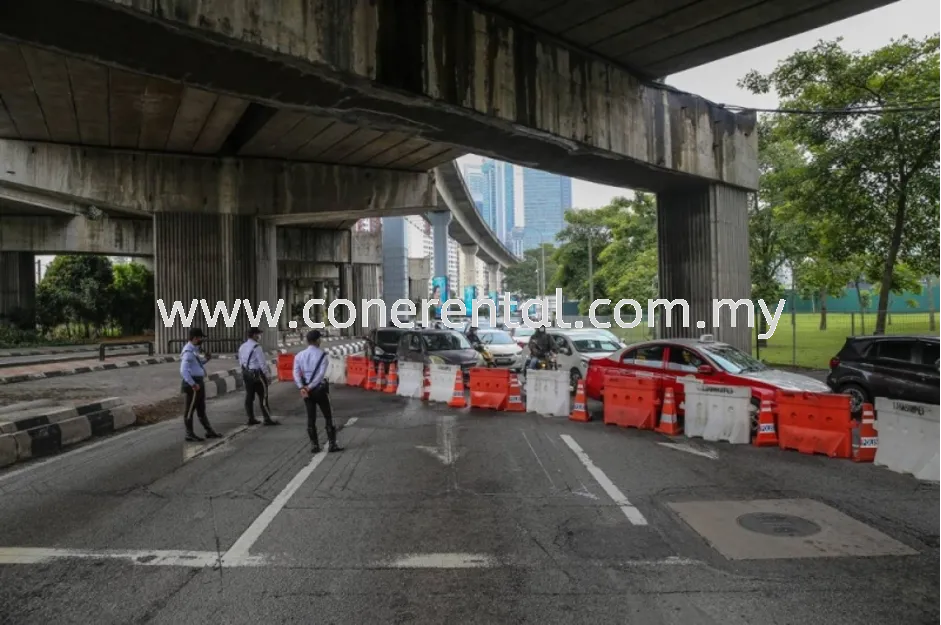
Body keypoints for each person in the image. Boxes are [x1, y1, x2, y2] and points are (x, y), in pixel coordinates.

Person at [293, 329, 344, 454]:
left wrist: (302, 387)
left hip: (306, 391)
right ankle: (332, 444)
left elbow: (295, 373)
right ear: (317, 340)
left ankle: (314, 445)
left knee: (311, 417)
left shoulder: (299, 355)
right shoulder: (322, 355)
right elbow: (320, 375)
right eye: (319, 339)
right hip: (319, 390)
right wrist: (310, 387)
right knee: (328, 416)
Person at [179, 327, 220, 442]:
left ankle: (209, 431)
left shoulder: (193, 350)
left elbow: (196, 364)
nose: (202, 340)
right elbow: (183, 371)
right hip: (193, 384)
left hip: (198, 382)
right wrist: (193, 384)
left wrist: (206, 359)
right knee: (190, 409)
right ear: (195, 338)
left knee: (201, 408)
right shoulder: (188, 352)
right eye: (201, 337)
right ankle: (189, 433)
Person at [238, 327, 279, 426]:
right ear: (254, 335)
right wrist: (267, 375)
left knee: (249, 396)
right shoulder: (257, 347)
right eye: (258, 334)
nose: (260, 336)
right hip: (257, 375)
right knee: (263, 397)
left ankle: (251, 418)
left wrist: (245, 372)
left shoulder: (242, 347)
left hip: (247, 374)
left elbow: (241, 362)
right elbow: (262, 363)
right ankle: (267, 418)